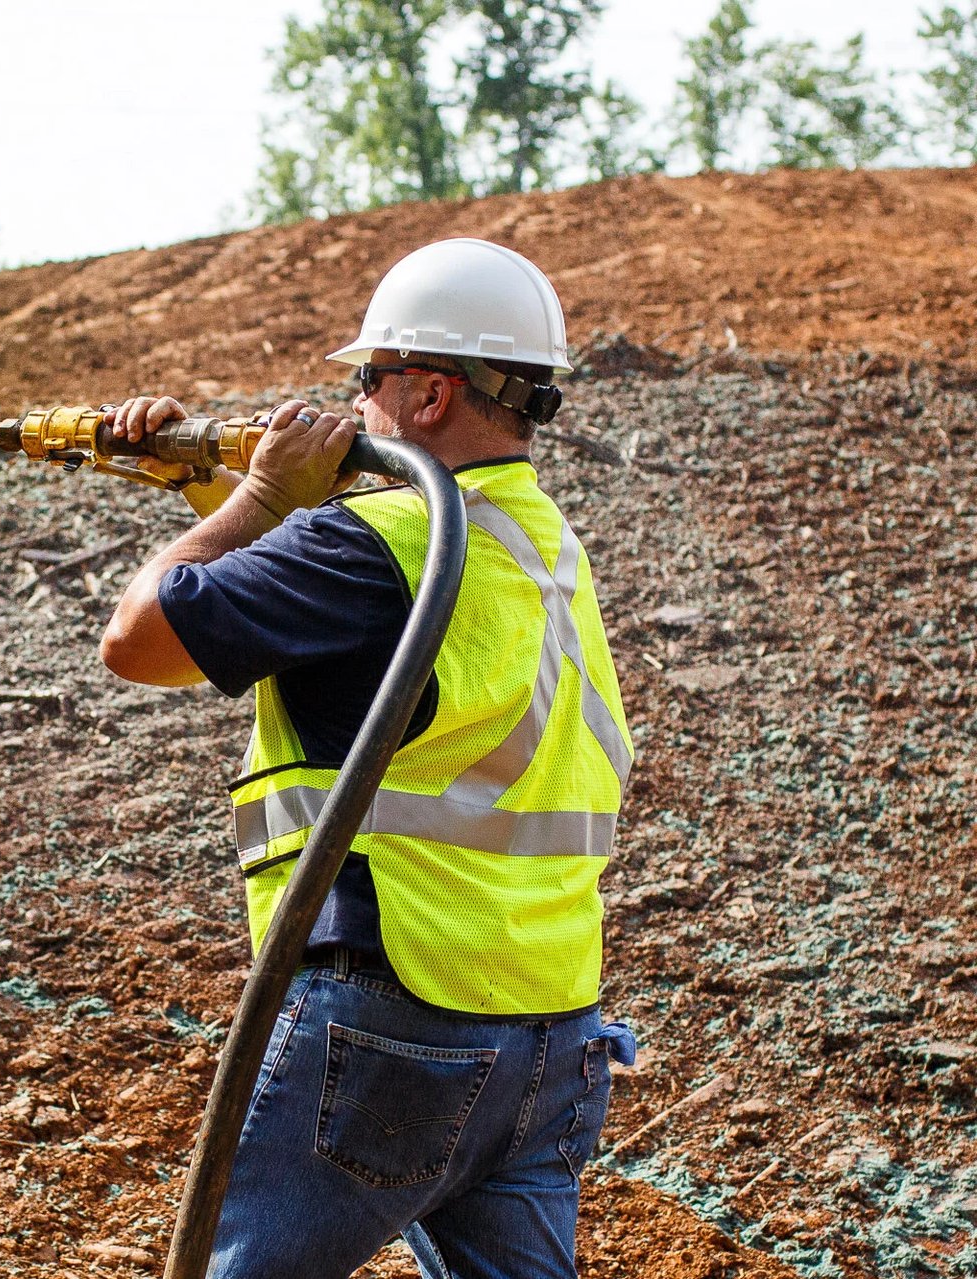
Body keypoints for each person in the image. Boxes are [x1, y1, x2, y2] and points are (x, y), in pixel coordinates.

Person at [99, 237, 638, 1279]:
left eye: (369, 378)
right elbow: (327, 625)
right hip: (552, 1036)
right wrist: (218, 495)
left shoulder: (374, 544)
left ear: (431, 392)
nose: (357, 404)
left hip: (397, 1020)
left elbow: (140, 640)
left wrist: (254, 503)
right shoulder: (539, 548)